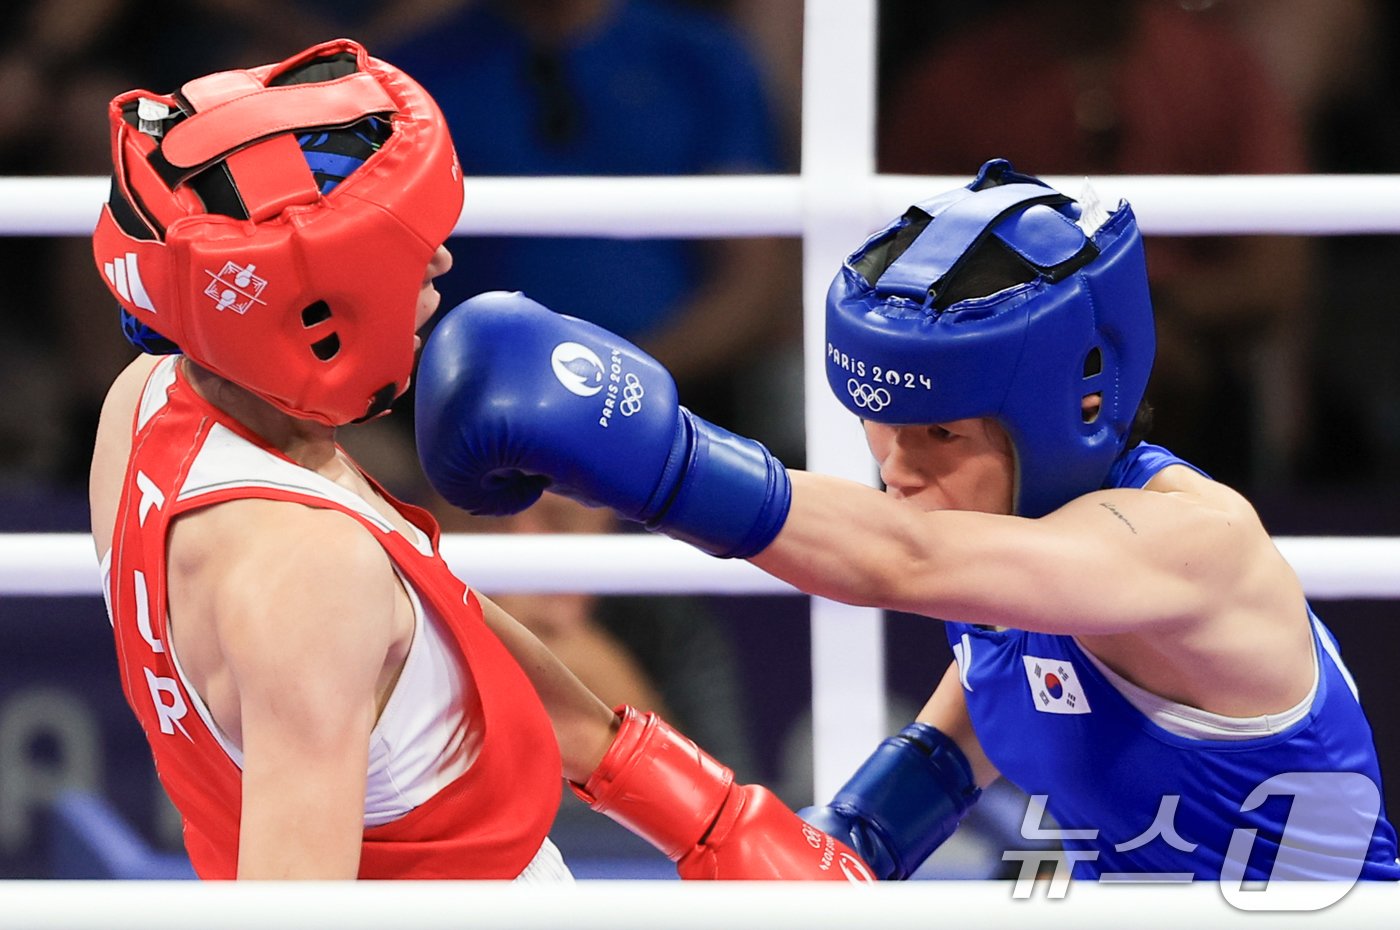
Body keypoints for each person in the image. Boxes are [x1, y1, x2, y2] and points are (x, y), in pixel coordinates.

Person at [414, 158, 1400, 883]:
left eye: (934, 433)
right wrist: (843, 844)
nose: (895, 472)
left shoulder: (1189, 546)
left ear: (1077, 404)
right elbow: (954, 741)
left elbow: (899, 560)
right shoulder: (1019, 573)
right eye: (877, 433)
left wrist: (656, 459)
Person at [86, 38, 871, 882]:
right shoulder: (308, 570)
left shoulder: (150, 403)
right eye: (400, 246)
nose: (440, 261)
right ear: (312, 304)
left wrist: (700, 811)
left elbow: (441, 614)